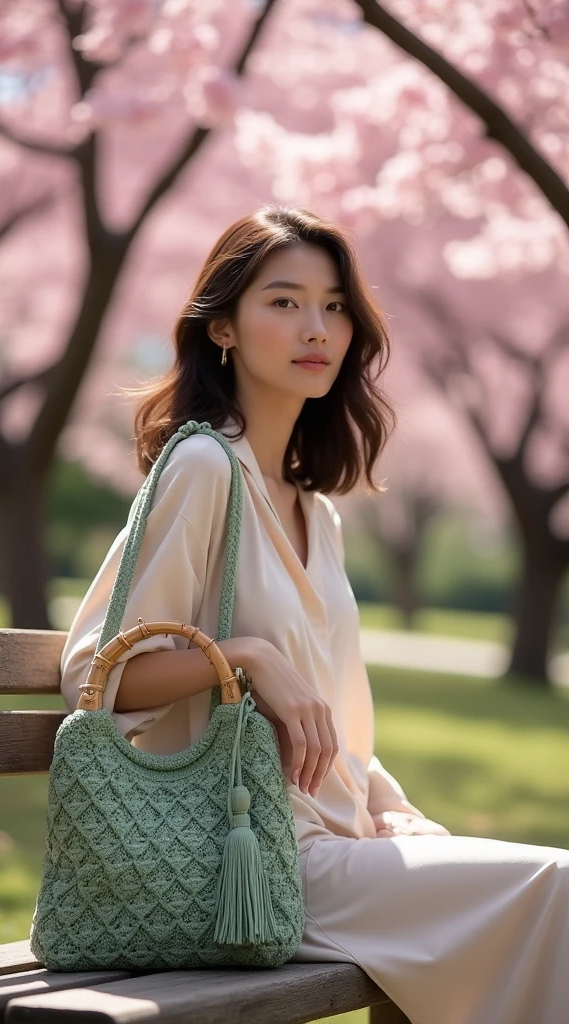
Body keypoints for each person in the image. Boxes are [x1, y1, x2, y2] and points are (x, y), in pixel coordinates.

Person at [60, 205, 569, 1024]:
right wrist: (248, 654)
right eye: (285, 301)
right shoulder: (202, 467)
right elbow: (94, 674)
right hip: (249, 864)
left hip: (335, 843)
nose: (316, 328)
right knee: (558, 890)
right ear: (222, 327)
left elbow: (333, 716)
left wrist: (385, 798)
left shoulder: (316, 511)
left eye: (334, 306)